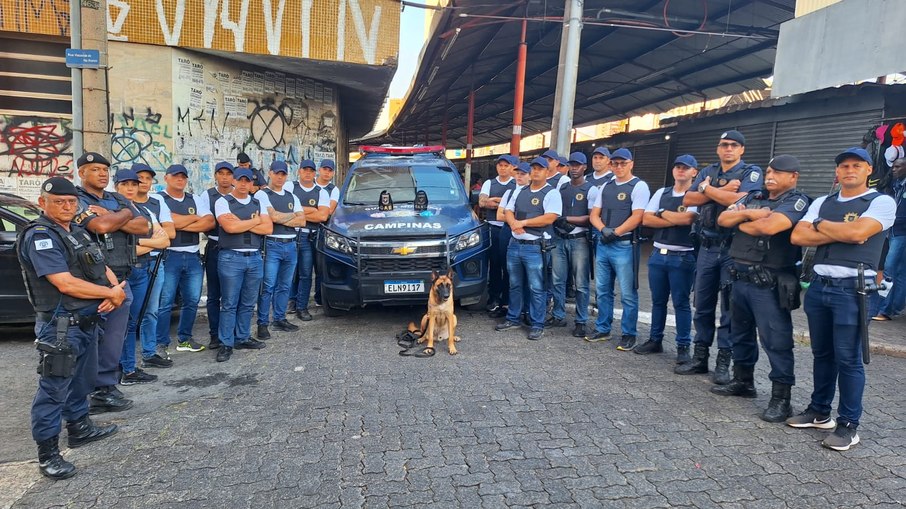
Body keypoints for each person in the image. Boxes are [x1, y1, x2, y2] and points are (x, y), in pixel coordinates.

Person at [18, 177, 125, 479]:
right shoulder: (40, 236)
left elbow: (100, 266)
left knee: (83, 379)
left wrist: (113, 289)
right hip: (61, 327)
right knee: (53, 390)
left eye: (70, 202)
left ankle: (79, 427)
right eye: (58, 202)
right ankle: (48, 453)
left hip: (87, 322)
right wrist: (109, 294)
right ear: (43, 204)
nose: (66, 207)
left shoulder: (77, 232)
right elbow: (63, 282)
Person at [788, 147, 895, 451]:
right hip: (820, 287)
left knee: (848, 359)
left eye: (856, 165)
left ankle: (849, 424)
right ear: (837, 172)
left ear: (868, 170)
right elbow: (798, 236)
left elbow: (860, 233)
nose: (849, 170)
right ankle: (819, 412)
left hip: (854, 290)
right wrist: (842, 231)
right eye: (844, 166)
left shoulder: (881, 201)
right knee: (822, 353)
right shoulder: (824, 201)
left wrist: (820, 226)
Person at [712, 155, 810, 423]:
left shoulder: (796, 200)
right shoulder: (754, 196)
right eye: (768, 170)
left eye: (778, 172)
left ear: (793, 177)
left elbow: (771, 225)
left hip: (769, 281)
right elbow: (722, 219)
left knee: (776, 341)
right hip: (739, 277)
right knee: (739, 333)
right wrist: (749, 214)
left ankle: (781, 399)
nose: (770, 175)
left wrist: (740, 221)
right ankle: (743, 382)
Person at [676, 130, 763, 384]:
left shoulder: (750, 172)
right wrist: (720, 189)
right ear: (718, 148)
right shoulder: (708, 171)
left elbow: (743, 198)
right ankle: (699, 358)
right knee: (701, 304)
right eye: (724, 145)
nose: (728, 149)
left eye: (733, 145)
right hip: (707, 245)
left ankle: (723, 362)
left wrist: (708, 189)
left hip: (733, 248)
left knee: (729, 307)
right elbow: (689, 197)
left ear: (741, 149)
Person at [74, 152, 145, 413]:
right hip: (92, 280)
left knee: (114, 338)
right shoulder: (76, 199)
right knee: (90, 339)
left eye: (105, 169)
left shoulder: (117, 199)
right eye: (95, 169)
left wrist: (119, 213)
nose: (102, 173)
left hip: (121, 278)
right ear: (82, 173)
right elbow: (100, 226)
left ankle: (105, 388)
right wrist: (124, 215)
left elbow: (143, 226)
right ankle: (83, 396)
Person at [636, 155, 699, 363]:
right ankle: (655, 340)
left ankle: (683, 347)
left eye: (685, 168)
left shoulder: (695, 196)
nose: (680, 170)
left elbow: (688, 219)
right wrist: (672, 219)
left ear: (694, 172)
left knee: (681, 303)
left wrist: (662, 214)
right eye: (678, 167)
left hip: (682, 256)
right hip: (658, 255)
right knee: (658, 301)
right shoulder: (661, 192)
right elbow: (646, 219)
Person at [586, 148, 650, 350]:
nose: (619, 167)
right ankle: (603, 328)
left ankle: (629, 333)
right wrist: (603, 230)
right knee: (603, 290)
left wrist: (616, 232)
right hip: (604, 243)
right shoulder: (605, 186)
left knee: (628, 293)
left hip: (624, 245)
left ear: (631, 163)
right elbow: (594, 214)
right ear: (610, 165)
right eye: (615, 163)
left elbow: (637, 216)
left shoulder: (639, 186)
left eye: (623, 163)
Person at [495, 157, 562, 341]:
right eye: (533, 168)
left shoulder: (551, 193)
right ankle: (513, 318)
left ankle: (537, 323)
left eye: (540, 169)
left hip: (535, 247)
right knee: (514, 284)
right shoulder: (520, 191)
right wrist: (513, 224)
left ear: (547, 172)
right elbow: (508, 211)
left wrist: (521, 222)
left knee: (536, 286)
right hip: (515, 244)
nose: (536, 171)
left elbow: (549, 218)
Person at [113, 169, 169, 385]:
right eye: (125, 184)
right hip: (125, 271)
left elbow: (164, 241)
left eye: (133, 184)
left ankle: (129, 367)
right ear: (116, 186)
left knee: (133, 321)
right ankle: (125, 369)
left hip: (143, 269)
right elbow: (118, 251)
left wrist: (137, 244)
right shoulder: (112, 209)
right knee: (123, 324)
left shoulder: (143, 210)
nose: (130, 188)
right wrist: (142, 245)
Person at [214, 168, 273, 362]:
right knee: (229, 303)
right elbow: (229, 228)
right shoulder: (223, 202)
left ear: (251, 183)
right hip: (231, 258)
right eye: (240, 180)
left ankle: (243, 337)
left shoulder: (258, 202)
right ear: (234, 180)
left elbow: (268, 228)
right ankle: (226, 343)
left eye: (247, 181)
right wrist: (254, 221)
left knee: (248, 302)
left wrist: (243, 223)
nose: (243, 184)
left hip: (254, 257)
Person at [156, 164, 215, 358]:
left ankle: (185, 339)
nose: (179, 179)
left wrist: (178, 222)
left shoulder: (194, 198)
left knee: (191, 300)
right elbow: (166, 224)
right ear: (166, 178)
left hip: (192, 255)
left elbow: (209, 222)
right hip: (169, 255)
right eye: (175, 176)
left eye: (183, 177)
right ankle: (160, 343)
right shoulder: (159, 199)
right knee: (165, 302)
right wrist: (193, 218)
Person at [130, 164, 175, 370]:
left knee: (152, 311)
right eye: (138, 178)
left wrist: (141, 244)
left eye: (148, 178)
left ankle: (149, 353)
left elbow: (168, 236)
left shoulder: (153, 205)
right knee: (129, 316)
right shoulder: (118, 206)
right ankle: (126, 364)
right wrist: (152, 241)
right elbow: (123, 247)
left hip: (155, 262)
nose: (143, 182)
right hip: (130, 265)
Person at [254, 161, 305, 339]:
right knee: (267, 286)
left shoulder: (292, 196)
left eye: (283, 174)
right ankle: (262, 323)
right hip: (272, 244)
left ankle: (279, 318)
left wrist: (280, 218)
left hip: (291, 245)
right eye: (277, 173)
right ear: (270, 173)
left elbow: (302, 221)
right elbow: (271, 217)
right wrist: (290, 216)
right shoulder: (262, 194)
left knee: (284, 285)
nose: (280, 177)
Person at [550, 152, 593, 337]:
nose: (574, 168)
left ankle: (581, 321)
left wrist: (567, 218)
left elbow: (591, 217)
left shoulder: (591, 189)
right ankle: (558, 315)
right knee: (557, 280)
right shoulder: (563, 188)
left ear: (584, 167)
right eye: (572, 165)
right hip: (560, 238)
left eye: (578, 165)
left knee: (581, 284)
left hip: (579, 240)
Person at [199, 161, 235, 349]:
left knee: (233, 294)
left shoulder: (240, 194)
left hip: (235, 247)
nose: (224, 177)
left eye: (228, 174)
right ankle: (215, 334)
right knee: (214, 294)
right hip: (215, 245)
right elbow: (208, 223)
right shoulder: (207, 195)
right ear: (215, 176)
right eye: (220, 173)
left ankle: (233, 332)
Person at [289, 159, 330, 321]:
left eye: (311, 171)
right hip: (293, 233)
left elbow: (322, 216)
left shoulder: (321, 192)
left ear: (315, 173)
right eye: (304, 170)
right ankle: (287, 305)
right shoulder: (290, 187)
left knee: (306, 274)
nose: (308, 173)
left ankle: (302, 307)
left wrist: (297, 211)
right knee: (290, 273)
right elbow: (283, 209)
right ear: (299, 171)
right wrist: (311, 210)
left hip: (311, 234)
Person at [479, 154, 517, 315]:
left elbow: (515, 203)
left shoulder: (516, 183)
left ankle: (507, 300)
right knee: (494, 265)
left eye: (506, 165)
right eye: (500, 165)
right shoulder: (489, 183)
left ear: (512, 167)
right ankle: (494, 297)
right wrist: (504, 203)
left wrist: (495, 201)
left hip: (509, 229)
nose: (502, 168)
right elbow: (482, 202)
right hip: (493, 228)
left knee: (508, 266)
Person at [492, 162, 531, 320]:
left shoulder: (534, 193)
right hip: (508, 232)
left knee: (528, 273)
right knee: (507, 270)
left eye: (523, 174)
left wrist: (513, 219)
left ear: (530, 175)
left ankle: (527, 309)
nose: (519, 177)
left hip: (527, 232)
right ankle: (506, 304)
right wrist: (516, 221)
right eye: (518, 173)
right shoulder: (509, 192)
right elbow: (499, 215)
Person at [874, 157, 906, 320]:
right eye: (893, 167)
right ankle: (895, 307)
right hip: (892, 231)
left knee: (889, 269)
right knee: (900, 271)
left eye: (898, 167)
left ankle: (883, 310)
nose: (894, 169)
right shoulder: (895, 185)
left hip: (901, 233)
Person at [312, 159, 341, 307]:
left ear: (333, 172)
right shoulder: (309, 186)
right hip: (302, 231)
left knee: (320, 268)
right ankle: (295, 301)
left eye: (330, 170)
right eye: (325, 169)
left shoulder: (333, 189)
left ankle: (318, 298)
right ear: (319, 170)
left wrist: (305, 212)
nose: (327, 172)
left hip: (322, 231)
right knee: (300, 270)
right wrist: (317, 212)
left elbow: (328, 212)